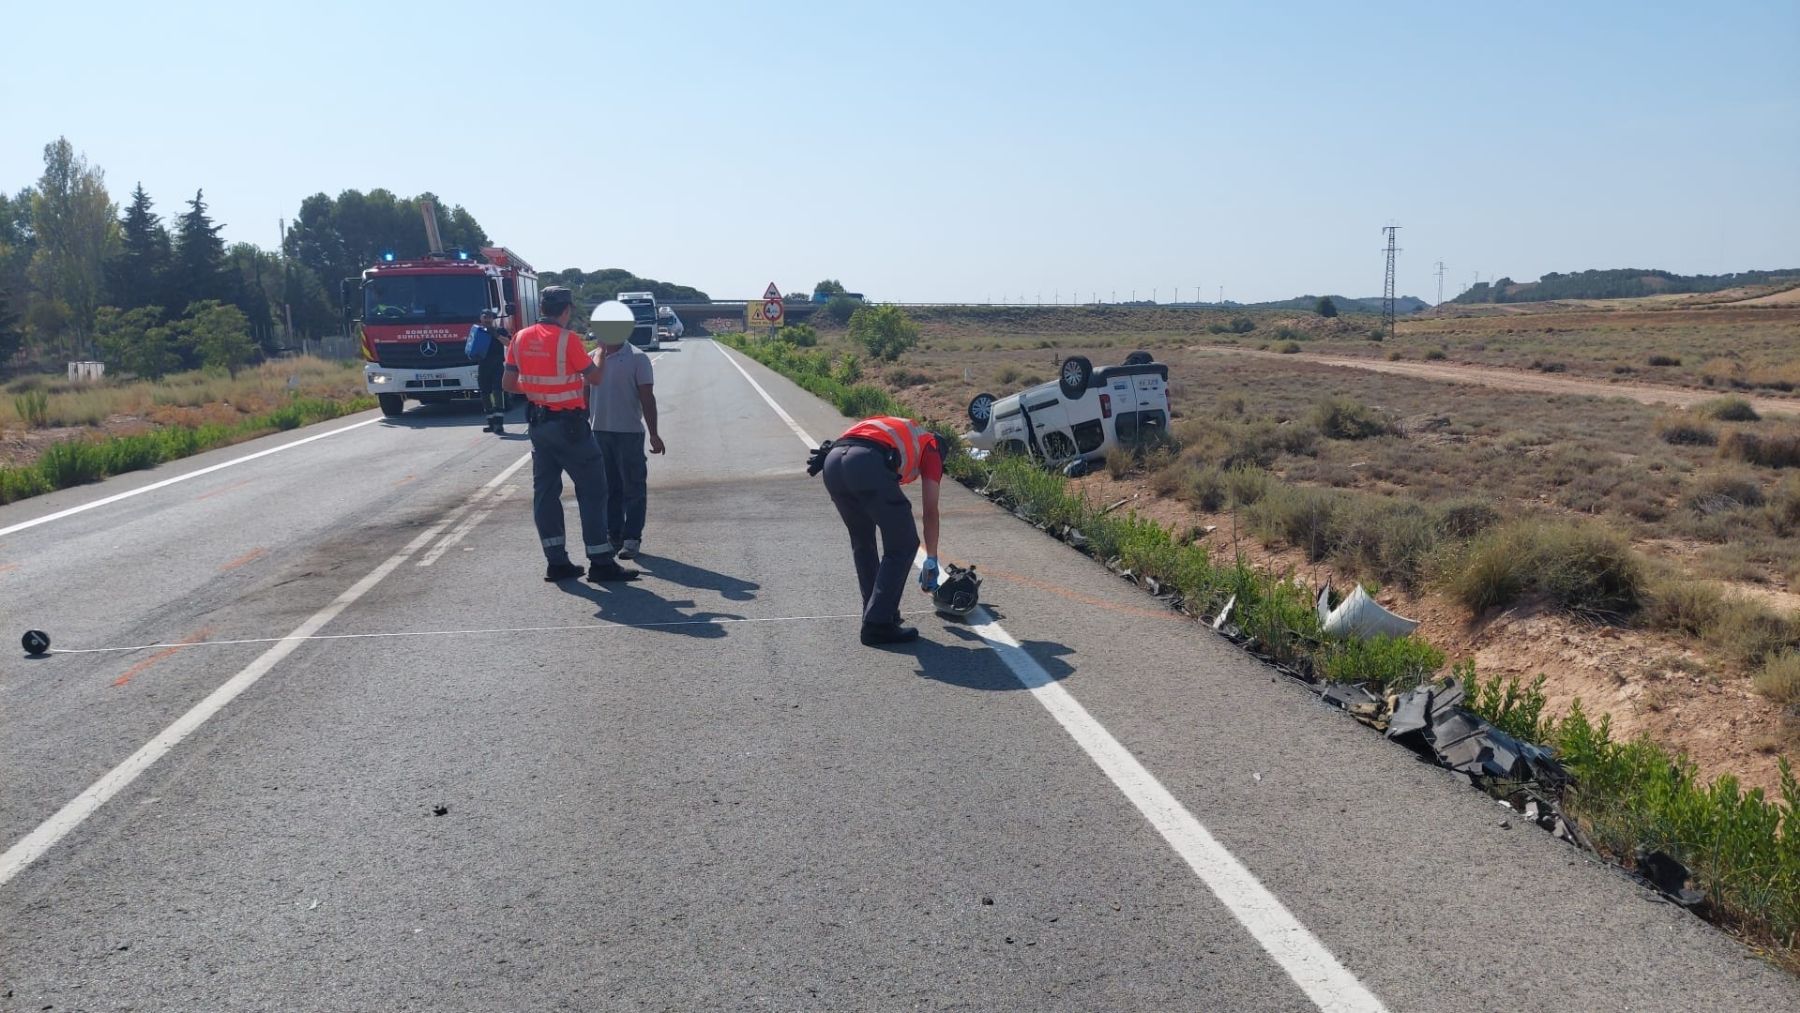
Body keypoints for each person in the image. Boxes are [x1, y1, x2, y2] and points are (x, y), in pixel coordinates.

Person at [502, 287, 637, 584]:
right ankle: (600, 561)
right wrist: (601, 351)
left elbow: (509, 383)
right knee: (593, 490)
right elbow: (596, 378)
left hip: (538, 425)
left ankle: (557, 562)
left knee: (546, 494)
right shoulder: (568, 341)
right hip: (570, 427)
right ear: (566, 310)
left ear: (542, 307)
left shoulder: (520, 338)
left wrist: (541, 391)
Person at [813, 416, 944, 647]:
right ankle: (878, 625)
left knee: (862, 540)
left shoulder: (899, 426)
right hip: (866, 464)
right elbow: (930, 510)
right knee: (903, 544)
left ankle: (875, 611)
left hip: (832, 461)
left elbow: (854, 439)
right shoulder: (931, 447)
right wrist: (931, 558)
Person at [585, 321, 666, 559]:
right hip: (599, 432)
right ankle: (614, 535)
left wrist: (654, 433)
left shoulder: (637, 358)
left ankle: (632, 538)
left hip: (629, 433)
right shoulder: (591, 358)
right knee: (609, 489)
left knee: (633, 488)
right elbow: (585, 392)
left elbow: (647, 398)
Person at [467, 309, 512, 434]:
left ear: (493, 318)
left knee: (498, 393)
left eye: (489, 317)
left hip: (497, 366)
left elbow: (509, 343)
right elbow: (469, 347)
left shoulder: (500, 330)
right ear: (481, 318)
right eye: (484, 316)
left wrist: (495, 335)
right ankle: (491, 423)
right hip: (483, 366)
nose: (487, 319)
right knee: (485, 394)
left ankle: (499, 424)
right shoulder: (477, 332)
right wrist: (472, 355)